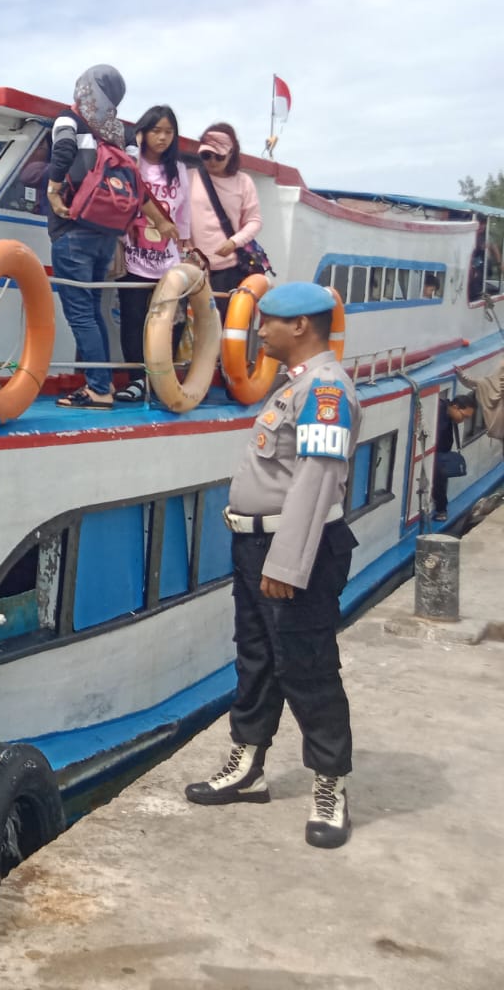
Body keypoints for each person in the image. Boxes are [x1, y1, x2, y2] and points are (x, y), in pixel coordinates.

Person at [185, 282, 357, 848]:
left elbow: (316, 480)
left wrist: (287, 563)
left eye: (268, 323)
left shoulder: (326, 391)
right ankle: (248, 763)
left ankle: (330, 784)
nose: (260, 332)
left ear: (300, 327)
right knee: (256, 657)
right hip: (256, 545)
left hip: (292, 550)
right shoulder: (296, 387)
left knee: (305, 665)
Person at [44, 64, 132, 409]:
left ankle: (98, 388)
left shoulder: (70, 118)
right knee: (93, 310)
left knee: (80, 313)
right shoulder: (116, 130)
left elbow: (63, 150)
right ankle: (100, 382)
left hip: (73, 229)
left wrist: (53, 190)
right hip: (105, 232)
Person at [117, 106, 193, 404]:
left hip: (168, 256)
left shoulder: (180, 170)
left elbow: (184, 211)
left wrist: (185, 244)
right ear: (143, 132)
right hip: (133, 253)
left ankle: (163, 378)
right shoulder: (131, 163)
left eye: (168, 132)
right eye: (156, 131)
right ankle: (136, 379)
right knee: (132, 318)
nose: (162, 137)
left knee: (170, 318)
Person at [187, 123, 263, 296]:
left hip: (229, 268)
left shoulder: (243, 181)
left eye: (219, 156)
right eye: (206, 155)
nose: (212, 161)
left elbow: (254, 220)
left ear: (231, 154)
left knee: (222, 322)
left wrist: (234, 242)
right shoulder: (188, 177)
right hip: (193, 266)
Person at [432, 392, 477, 522]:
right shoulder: (437, 409)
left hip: (441, 453)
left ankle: (441, 508)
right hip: (433, 453)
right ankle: (441, 509)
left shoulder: (448, 413)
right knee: (439, 479)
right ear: (455, 407)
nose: (463, 420)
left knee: (441, 477)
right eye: (464, 416)